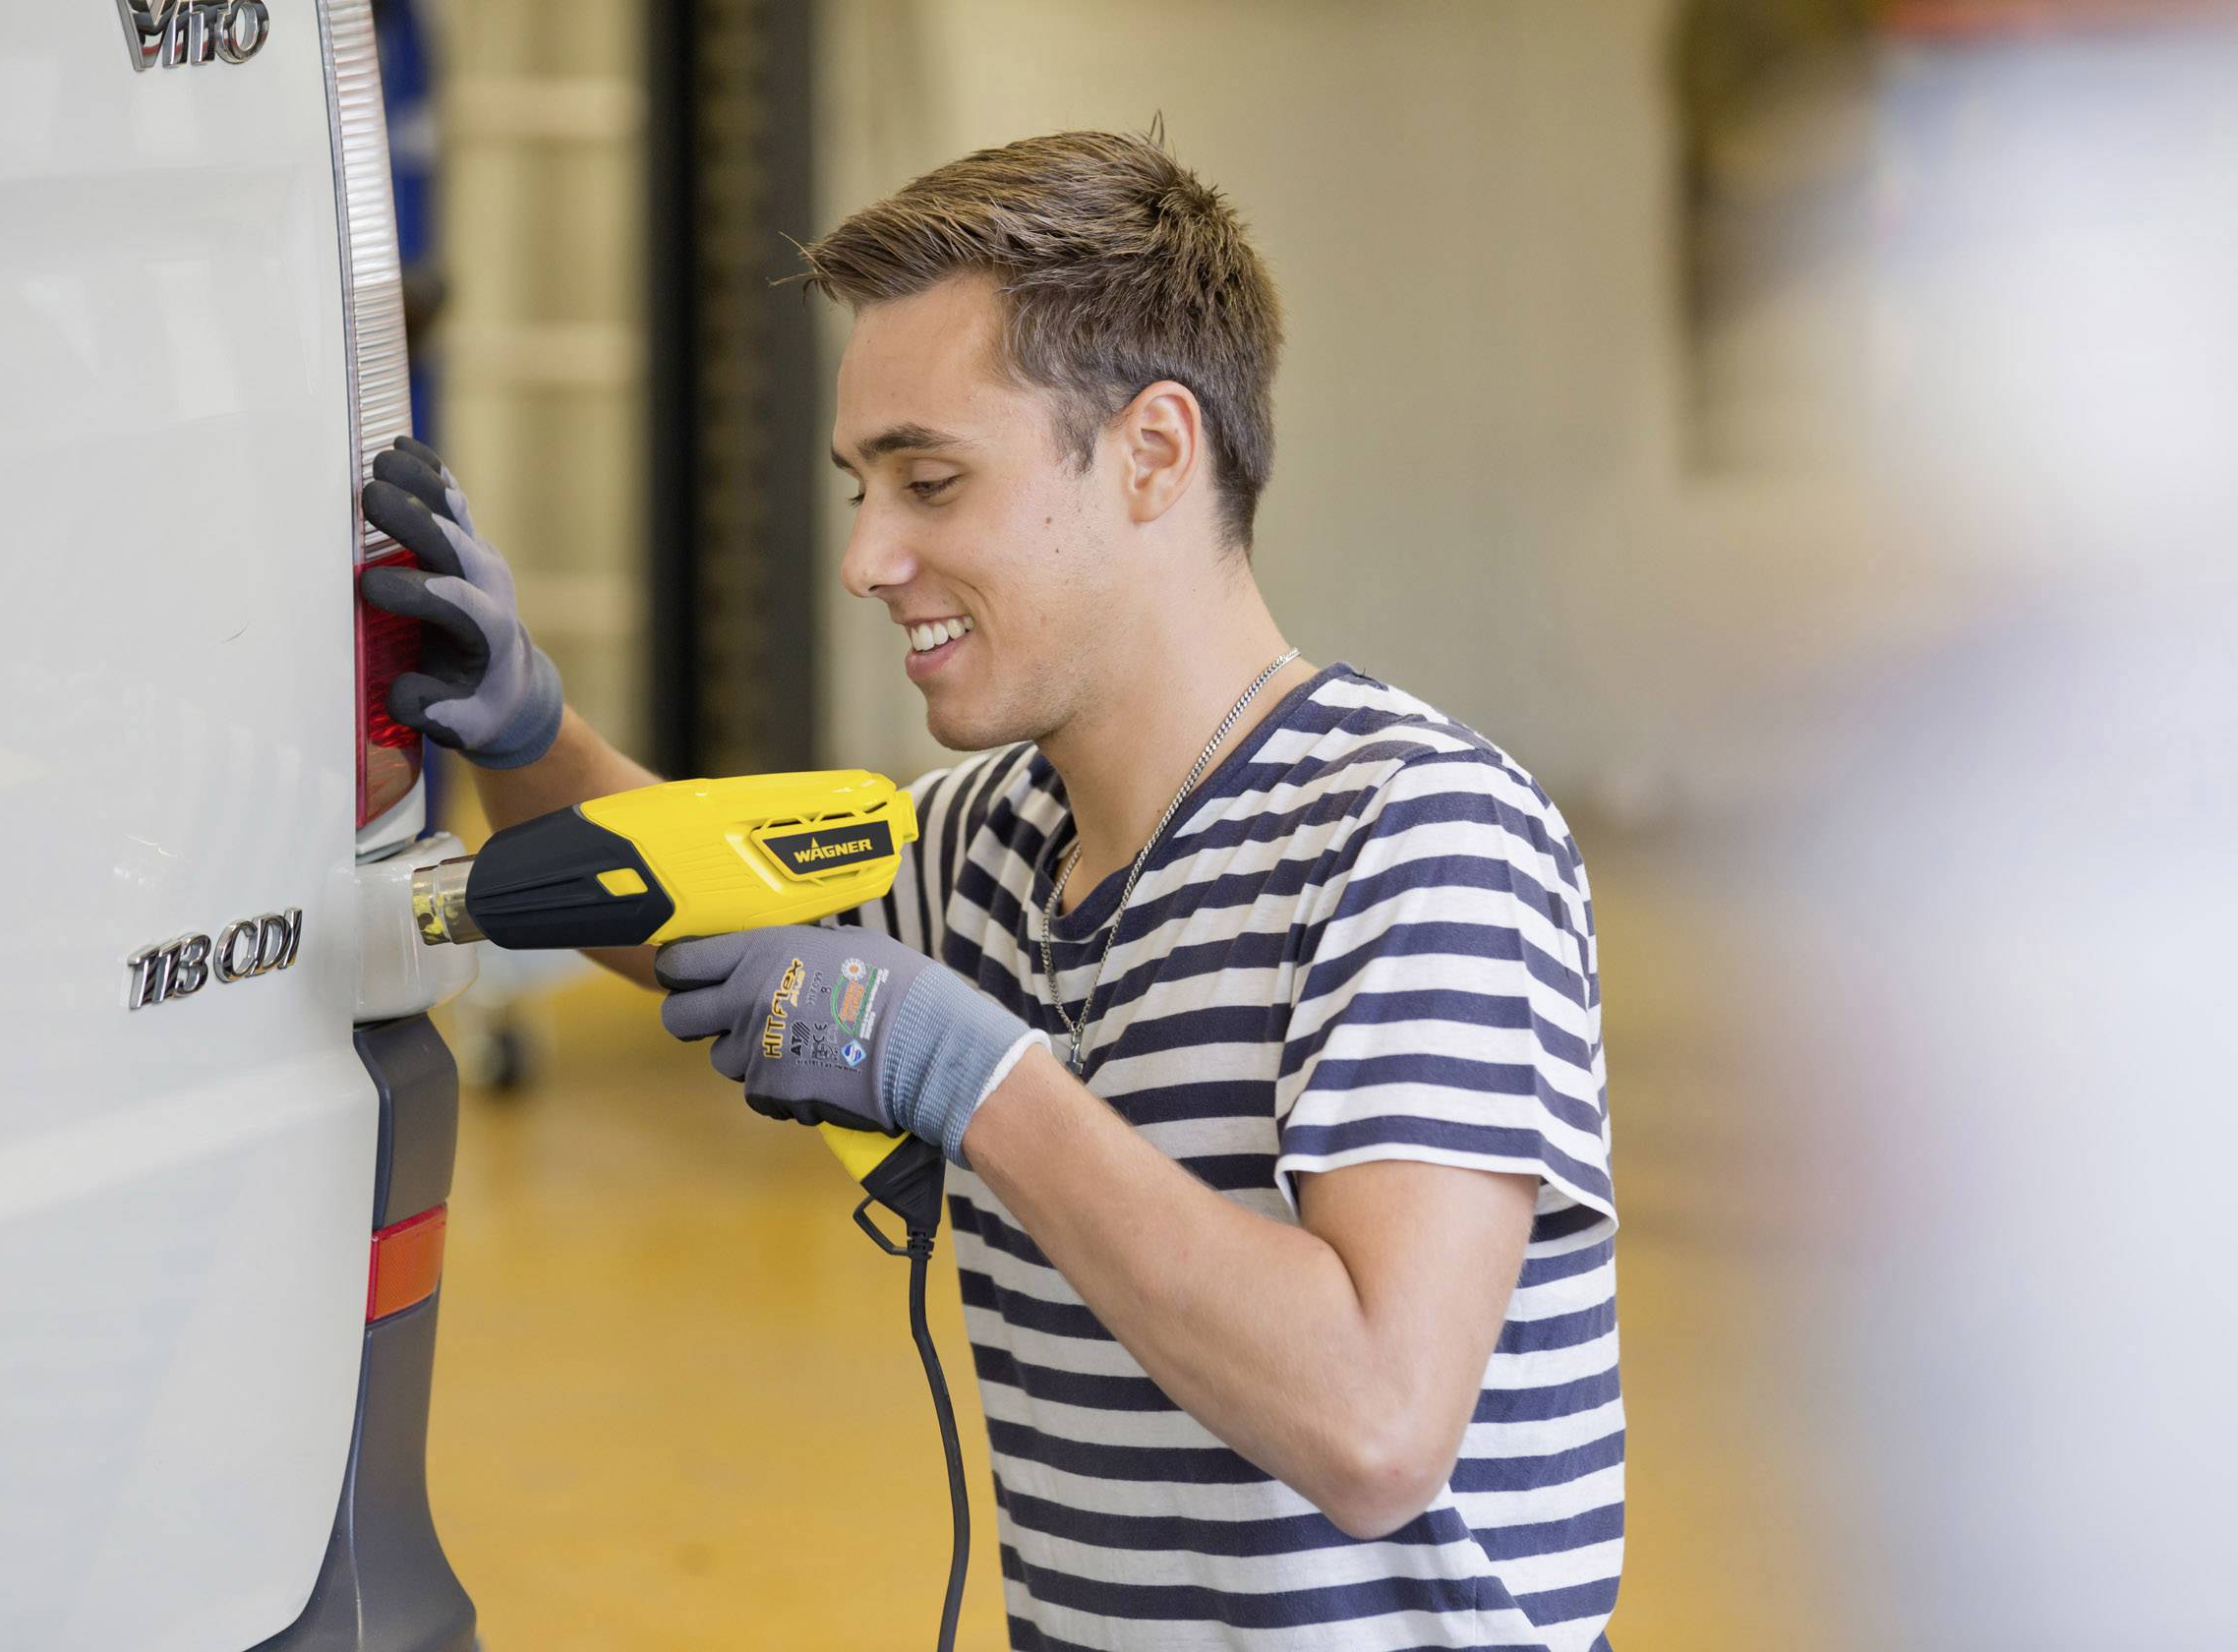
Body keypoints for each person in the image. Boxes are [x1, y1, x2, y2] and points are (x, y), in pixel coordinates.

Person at [360, 129, 1620, 1652]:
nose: (869, 558)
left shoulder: (1417, 837)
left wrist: (965, 1071)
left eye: (932, 481)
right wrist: (524, 726)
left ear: (1155, 452)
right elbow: (689, 917)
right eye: (857, 492)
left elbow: (1373, 1422)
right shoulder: (984, 843)